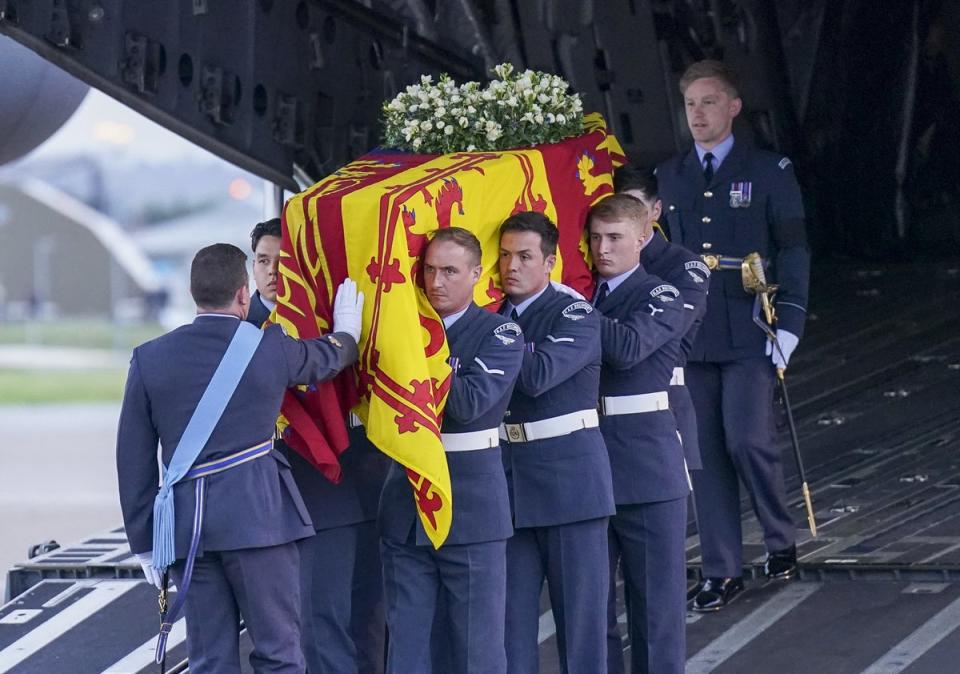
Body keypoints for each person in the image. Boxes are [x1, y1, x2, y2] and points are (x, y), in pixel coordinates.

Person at [117, 243, 364, 673]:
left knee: (210, 659)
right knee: (279, 654)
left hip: (187, 532)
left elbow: (132, 463)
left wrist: (144, 543)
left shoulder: (149, 358)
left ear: (194, 293)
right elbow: (326, 359)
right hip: (259, 524)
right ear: (243, 294)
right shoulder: (268, 348)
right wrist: (347, 332)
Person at [657, 59, 811, 612]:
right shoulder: (670, 176)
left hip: (751, 323)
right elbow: (660, 256)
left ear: (734, 107)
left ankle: (779, 539)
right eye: (690, 104)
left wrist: (788, 325)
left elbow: (793, 248)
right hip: (694, 333)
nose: (697, 114)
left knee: (748, 439)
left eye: (709, 102)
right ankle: (722, 568)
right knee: (703, 455)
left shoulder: (770, 170)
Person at [378, 227, 523, 674]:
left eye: (450, 271)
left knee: (476, 649)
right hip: (405, 505)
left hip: (470, 507)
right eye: (429, 270)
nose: (436, 281)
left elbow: (469, 403)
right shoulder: (398, 330)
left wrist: (410, 356)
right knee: (407, 648)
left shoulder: (499, 333)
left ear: (477, 274)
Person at [245, 224, 389, 674]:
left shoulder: (330, 319)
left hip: (349, 484)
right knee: (310, 624)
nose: (272, 273)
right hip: (277, 495)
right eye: (262, 261)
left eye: (282, 262)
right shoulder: (236, 330)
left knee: (364, 619)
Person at [498, 211, 615, 674]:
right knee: (509, 632)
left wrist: (480, 348)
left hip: (570, 485)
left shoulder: (576, 314)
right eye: (505, 255)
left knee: (582, 631)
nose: (512, 266)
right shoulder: (491, 317)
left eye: (525, 256)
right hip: (509, 485)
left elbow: (538, 375)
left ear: (549, 263)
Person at [588, 194, 689, 674]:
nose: (602, 249)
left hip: (647, 471)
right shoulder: (583, 293)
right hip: (588, 467)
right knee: (591, 614)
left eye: (614, 238)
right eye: (595, 238)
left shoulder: (662, 293)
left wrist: (571, 312)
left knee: (656, 612)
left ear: (643, 238)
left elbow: (629, 349)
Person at [248, 218, 282, 326]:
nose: (272, 270)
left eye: (282, 261)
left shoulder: (317, 319)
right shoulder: (238, 325)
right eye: (263, 261)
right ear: (254, 268)